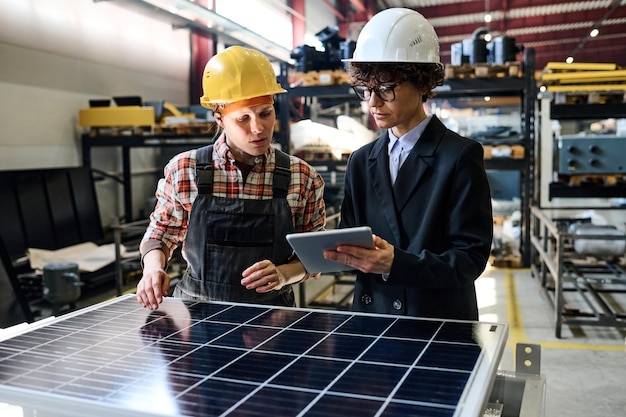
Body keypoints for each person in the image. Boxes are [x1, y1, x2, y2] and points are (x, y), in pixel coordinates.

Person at [323, 8, 493, 320]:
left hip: (436, 323)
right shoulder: (361, 162)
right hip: (373, 319)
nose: (373, 102)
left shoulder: (459, 156)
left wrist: (395, 264)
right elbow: (350, 240)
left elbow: (470, 259)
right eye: (367, 90)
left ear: (421, 82)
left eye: (386, 89)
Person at [136, 46, 326, 310]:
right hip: (197, 313)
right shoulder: (185, 170)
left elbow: (314, 256)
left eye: (265, 113)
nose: (258, 128)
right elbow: (160, 234)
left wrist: (284, 274)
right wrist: (153, 269)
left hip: (270, 320)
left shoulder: (302, 177)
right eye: (243, 119)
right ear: (220, 118)